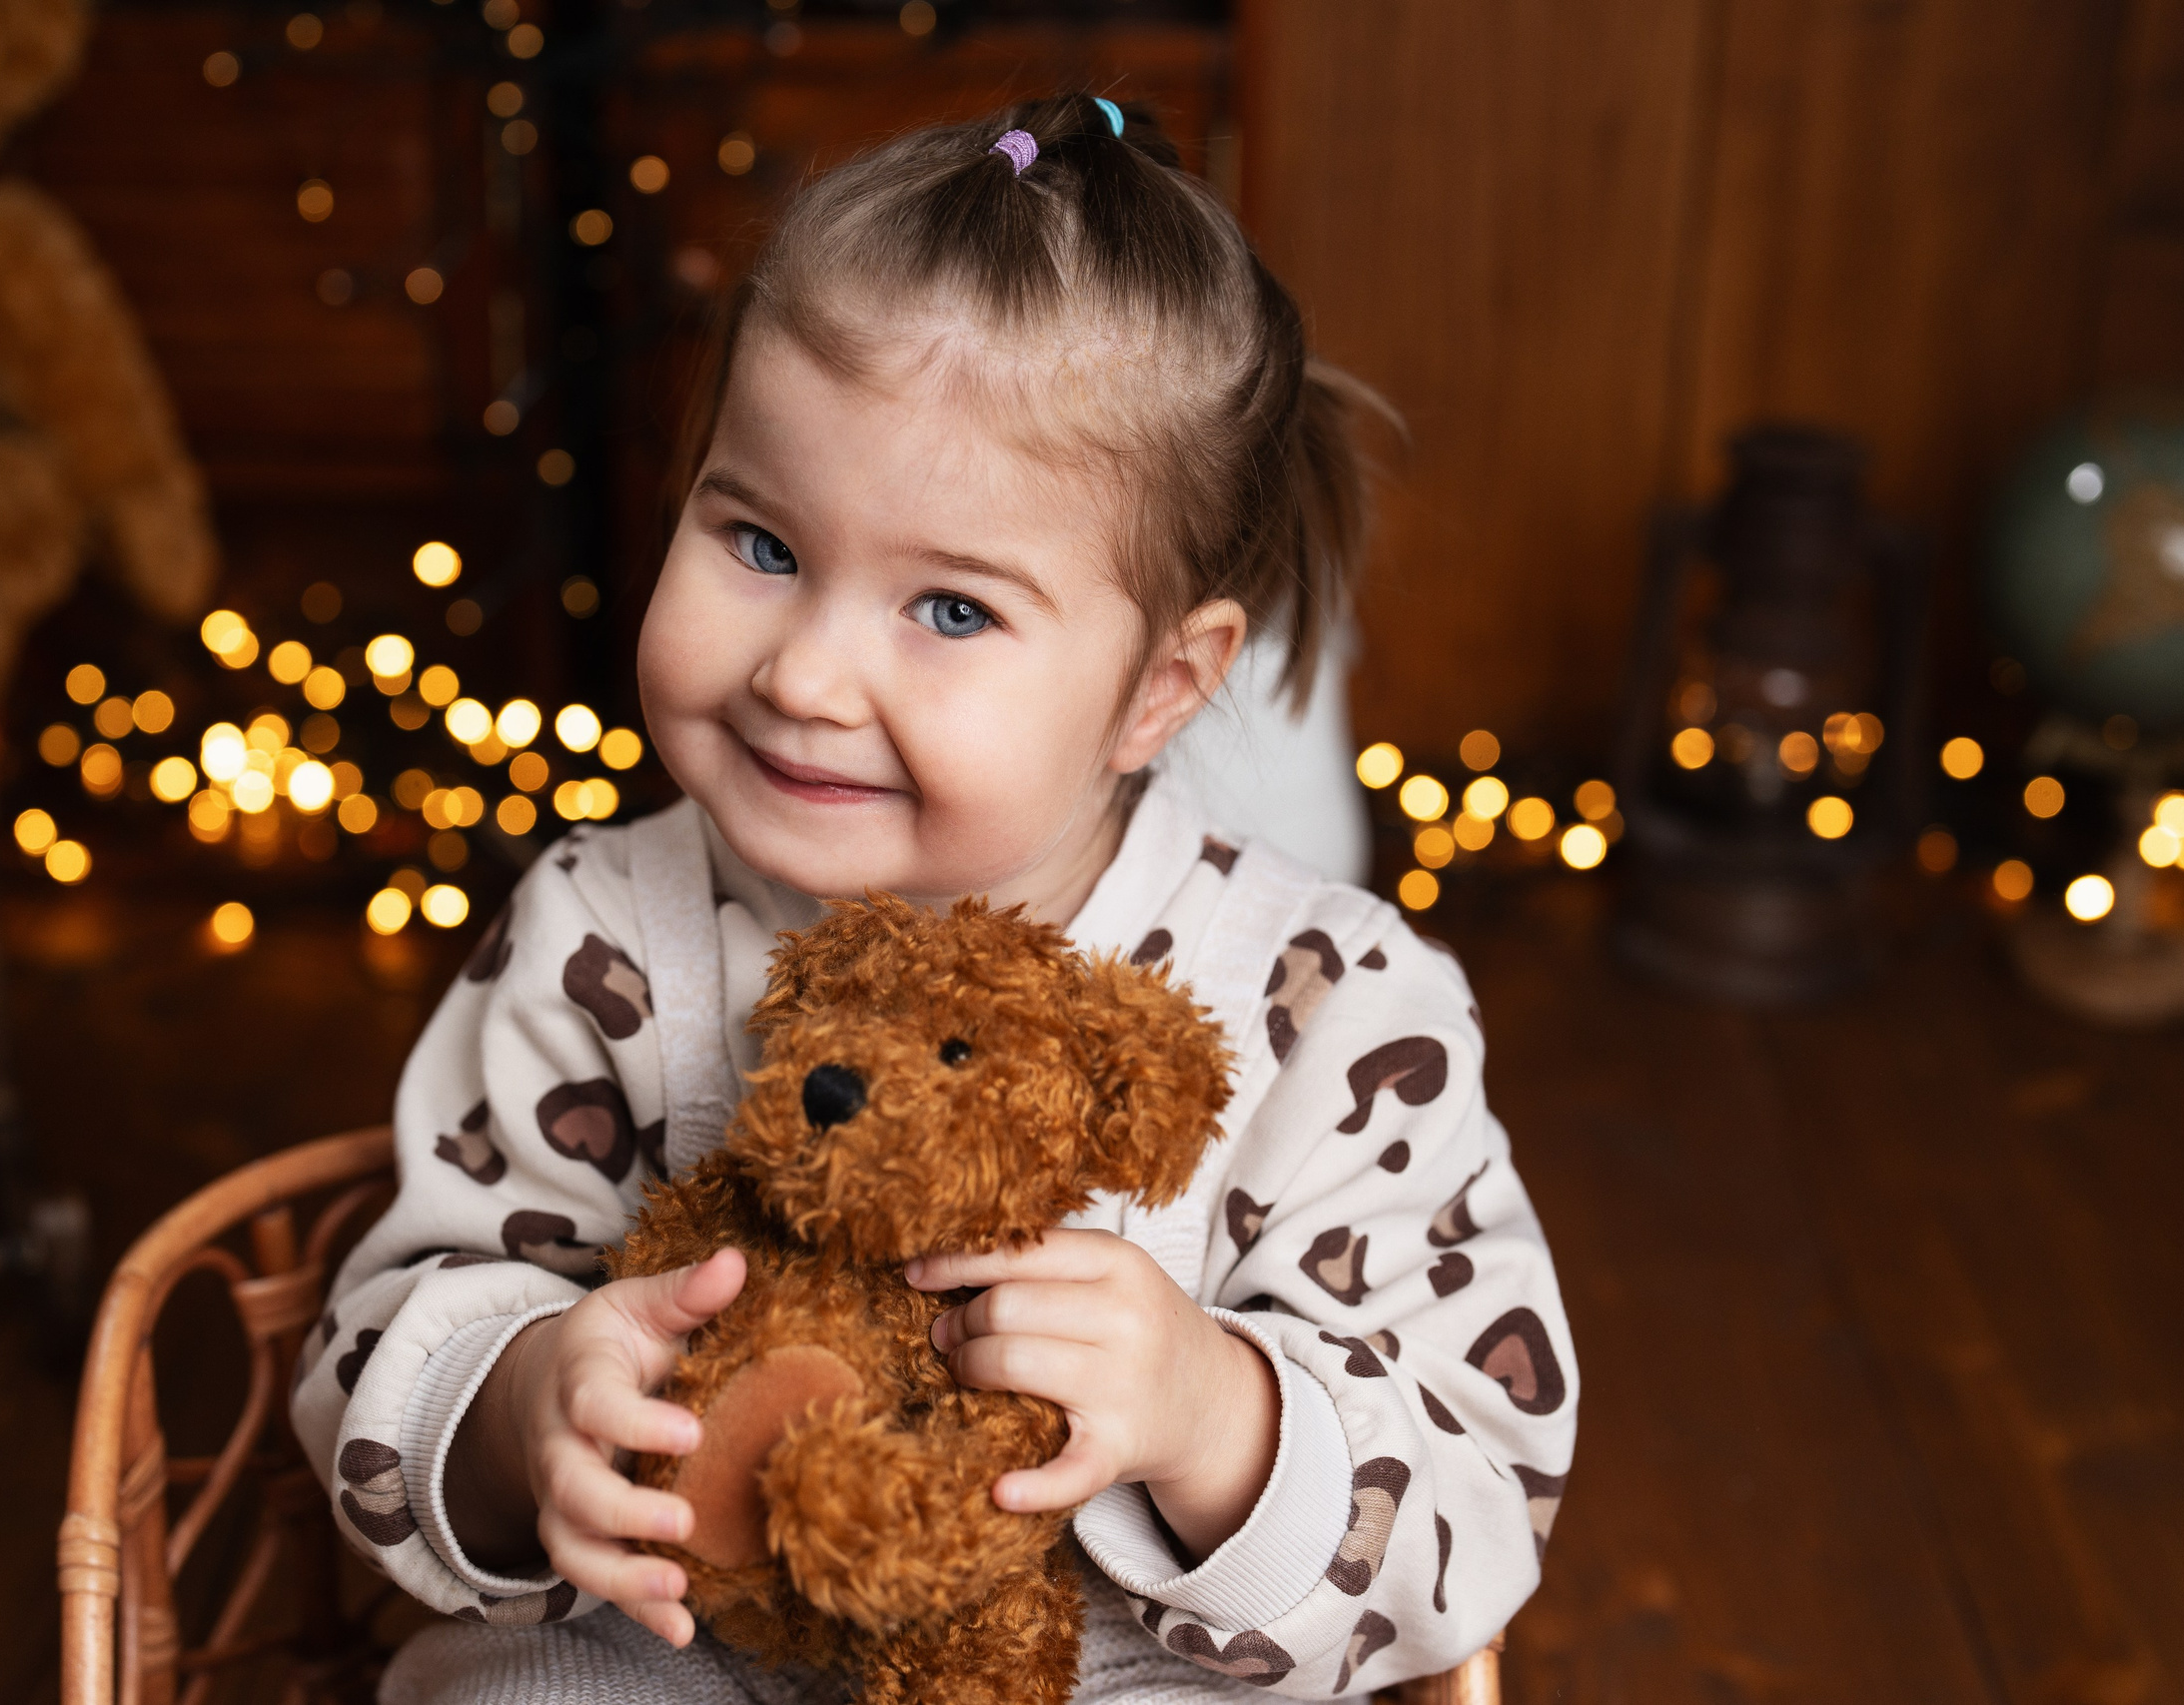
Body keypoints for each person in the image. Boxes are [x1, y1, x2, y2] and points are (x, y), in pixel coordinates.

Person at [294, 93, 1575, 1704]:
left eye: (951, 608)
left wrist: (1215, 1414)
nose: (809, 674)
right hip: (670, 1639)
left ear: (1160, 692)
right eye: (757, 540)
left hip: (1114, 1672)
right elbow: (374, 1336)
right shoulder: (604, 929)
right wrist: (521, 1399)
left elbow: (1478, 1489)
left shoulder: (1329, 1008)